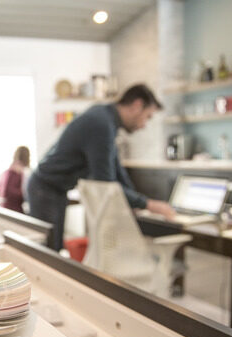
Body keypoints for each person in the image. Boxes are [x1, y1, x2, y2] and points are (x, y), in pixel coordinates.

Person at [27, 84, 175, 251]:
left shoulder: (106, 119)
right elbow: (106, 183)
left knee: (55, 248)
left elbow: (117, 169)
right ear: (137, 105)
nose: (144, 125)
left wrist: (136, 203)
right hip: (45, 188)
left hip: (53, 188)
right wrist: (149, 205)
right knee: (49, 251)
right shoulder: (101, 124)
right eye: (148, 117)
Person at [0, 146, 30, 213]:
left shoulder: (9, 170)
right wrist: (24, 195)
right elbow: (9, 191)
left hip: (7, 207)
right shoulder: (17, 171)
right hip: (14, 209)